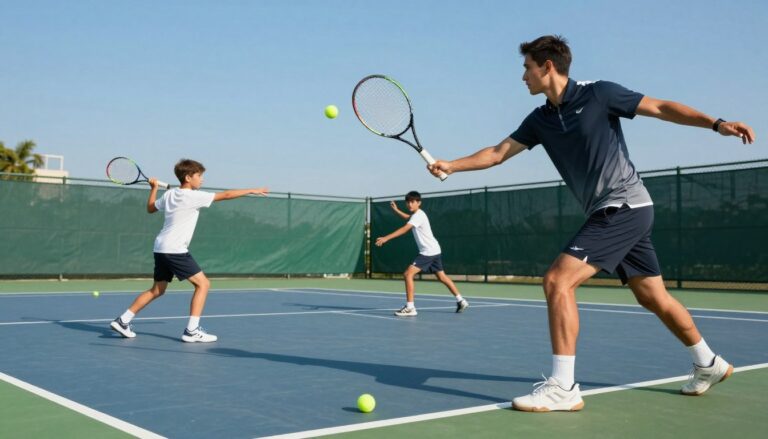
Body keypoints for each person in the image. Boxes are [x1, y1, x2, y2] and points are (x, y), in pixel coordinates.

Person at [428, 35, 756, 412]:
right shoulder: (541, 120)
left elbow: (662, 107)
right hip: (619, 210)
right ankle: (708, 363)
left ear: (547, 66)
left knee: (557, 280)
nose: (523, 76)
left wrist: (717, 124)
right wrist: (452, 165)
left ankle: (564, 387)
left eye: (527, 68)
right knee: (653, 296)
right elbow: (498, 153)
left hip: (622, 206)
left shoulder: (599, 94)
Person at [110, 159, 268, 343]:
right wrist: (251, 190)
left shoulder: (169, 195)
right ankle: (192, 330)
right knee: (203, 284)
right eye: (199, 176)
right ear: (188, 177)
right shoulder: (194, 197)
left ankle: (123, 320)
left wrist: (153, 188)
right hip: (175, 249)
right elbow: (226, 195)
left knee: (157, 290)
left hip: (160, 248)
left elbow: (150, 208)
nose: (202, 180)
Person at [375, 191, 469, 316]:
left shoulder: (418, 215)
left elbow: (405, 228)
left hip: (428, 252)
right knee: (442, 277)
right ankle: (461, 300)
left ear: (419, 203)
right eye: (408, 202)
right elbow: (408, 218)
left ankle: (410, 307)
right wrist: (396, 210)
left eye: (412, 202)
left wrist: (386, 238)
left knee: (408, 274)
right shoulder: (417, 215)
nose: (409, 204)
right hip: (434, 249)